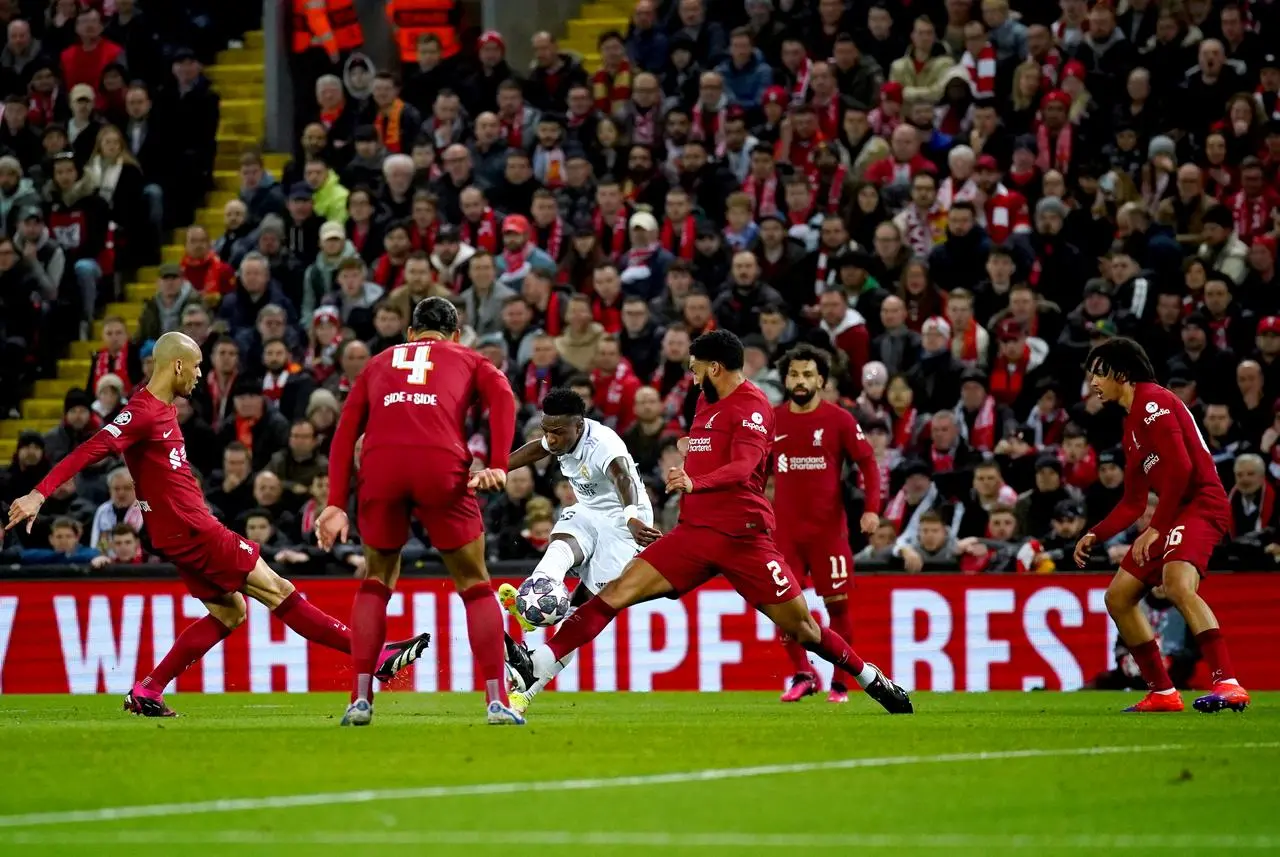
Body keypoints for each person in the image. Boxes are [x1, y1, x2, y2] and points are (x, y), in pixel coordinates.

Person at [5, 333, 429, 718]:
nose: (200, 373)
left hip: (177, 532)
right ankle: (373, 658)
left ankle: (148, 689)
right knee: (278, 590)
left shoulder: (159, 409)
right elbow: (94, 447)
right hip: (193, 530)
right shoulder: (143, 411)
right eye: (197, 365)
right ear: (176, 367)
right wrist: (39, 493)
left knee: (231, 611)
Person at [505, 330, 912, 715]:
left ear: (715, 367)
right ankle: (535, 663)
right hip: (693, 534)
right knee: (611, 595)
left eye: (696, 367)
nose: (692, 376)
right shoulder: (705, 402)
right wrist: (689, 458)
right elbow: (711, 449)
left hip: (743, 538)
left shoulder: (752, 406)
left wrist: (695, 480)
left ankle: (870, 677)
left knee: (805, 629)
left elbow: (745, 466)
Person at [315, 297, 522, 726]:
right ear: (456, 335)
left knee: (376, 580)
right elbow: (502, 394)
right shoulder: (468, 357)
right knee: (475, 583)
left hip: (381, 466)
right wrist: (499, 463)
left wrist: (335, 502)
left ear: (411, 334)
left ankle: (360, 699)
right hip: (439, 466)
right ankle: (497, 702)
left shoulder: (379, 362)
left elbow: (344, 432)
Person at [1073, 337, 1249, 715]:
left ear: (1121, 373)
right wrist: (1095, 533)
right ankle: (1163, 692)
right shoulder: (1131, 426)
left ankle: (1228, 683)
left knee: (1177, 584)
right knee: (1118, 597)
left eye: (1099, 373)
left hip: (1202, 504)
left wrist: (1157, 528)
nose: (1093, 382)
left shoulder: (1154, 401)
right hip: (1174, 512)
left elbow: (1184, 470)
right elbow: (1134, 502)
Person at [493, 388, 661, 715]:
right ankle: (536, 599)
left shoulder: (604, 444)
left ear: (579, 425)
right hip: (589, 510)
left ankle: (529, 685)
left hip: (624, 524)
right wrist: (494, 469)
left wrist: (632, 520)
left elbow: (623, 477)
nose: (551, 439)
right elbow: (532, 452)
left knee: (582, 613)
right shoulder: (560, 434)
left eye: (557, 433)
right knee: (560, 545)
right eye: (547, 431)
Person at [771, 344, 881, 704]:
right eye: (793, 374)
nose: (800, 381)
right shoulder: (772, 420)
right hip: (785, 532)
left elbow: (867, 463)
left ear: (820, 379)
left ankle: (840, 682)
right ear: (785, 379)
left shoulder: (840, 420)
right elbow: (752, 470)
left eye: (807, 374)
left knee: (838, 608)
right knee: (781, 606)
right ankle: (803, 674)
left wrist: (871, 509)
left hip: (828, 533)